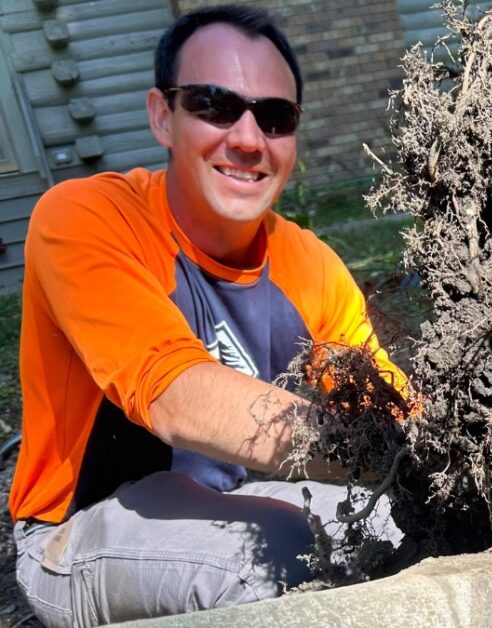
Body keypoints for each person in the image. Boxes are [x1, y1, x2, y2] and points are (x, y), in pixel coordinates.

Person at [7, 6, 411, 625]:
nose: (248, 139)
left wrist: (446, 449)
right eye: (215, 104)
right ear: (162, 115)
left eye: (275, 117)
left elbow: (384, 405)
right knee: (275, 569)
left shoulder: (311, 265)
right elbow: (174, 395)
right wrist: (391, 452)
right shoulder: (85, 219)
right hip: (77, 527)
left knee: (401, 523)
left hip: (225, 497)